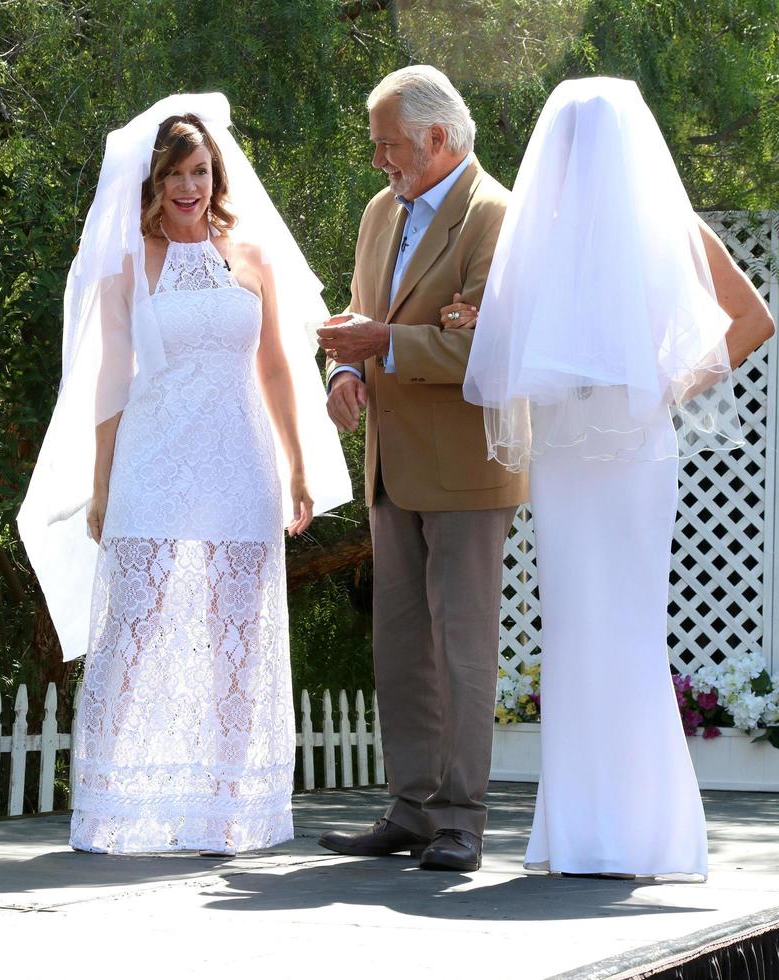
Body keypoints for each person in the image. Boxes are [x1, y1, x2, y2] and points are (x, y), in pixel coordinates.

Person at [18, 93, 351, 855]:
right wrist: (102, 485)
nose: (190, 186)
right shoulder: (127, 266)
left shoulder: (252, 258)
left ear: (216, 174)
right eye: (175, 173)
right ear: (153, 181)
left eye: (200, 170)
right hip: (152, 460)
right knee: (132, 629)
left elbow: (274, 366)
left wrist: (298, 465)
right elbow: (107, 384)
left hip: (240, 459)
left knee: (236, 632)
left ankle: (227, 812)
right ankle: (110, 807)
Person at [461, 77, 775, 877]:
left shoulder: (607, 229)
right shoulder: (624, 230)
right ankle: (614, 831)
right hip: (604, 450)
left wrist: (666, 381)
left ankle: (601, 832)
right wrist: (667, 384)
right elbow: (753, 321)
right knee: (599, 630)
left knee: (609, 629)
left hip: (602, 451)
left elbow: (752, 321)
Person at [315, 66, 526, 873]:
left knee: (463, 647)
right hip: (390, 466)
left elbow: (493, 351)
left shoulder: (495, 216)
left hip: (468, 468)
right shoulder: (380, 213)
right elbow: (359, 316)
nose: (380, 162)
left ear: (439, 139)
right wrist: (343, 372)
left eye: (389, 146)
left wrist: (385, 346)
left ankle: (462, 820)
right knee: (400, 646)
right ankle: (409, 809)